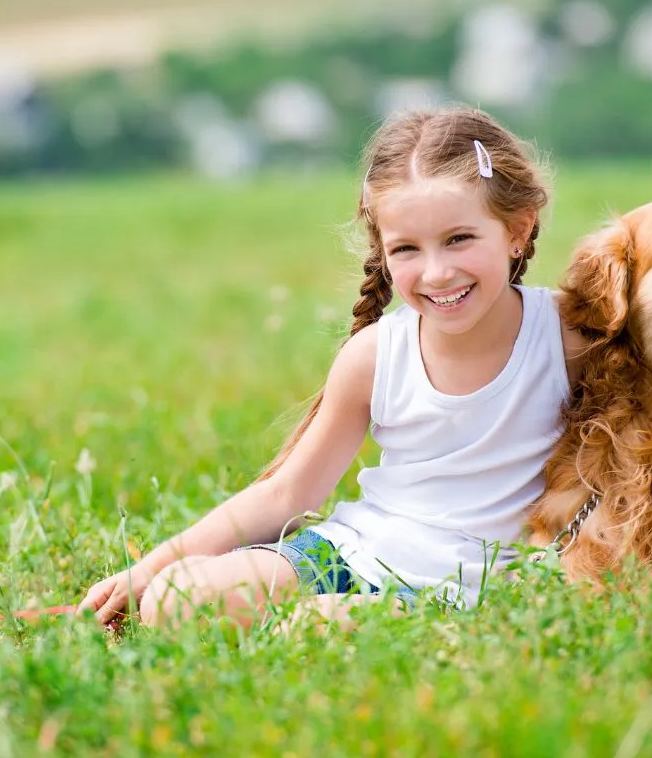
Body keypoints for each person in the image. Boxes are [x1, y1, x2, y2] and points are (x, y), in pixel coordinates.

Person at [77, 107, 587, 632]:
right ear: (383, 254)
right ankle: (321, 622)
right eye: (407, 248)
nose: (437, 272)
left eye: (459, 239)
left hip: (468, 589)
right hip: (353, 555)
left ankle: (355, 626)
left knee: (326, 620)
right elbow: (287, 494)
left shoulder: (567, 337)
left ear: (517, 230)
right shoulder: (376, 354)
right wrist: (149, 569)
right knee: (173, 600)